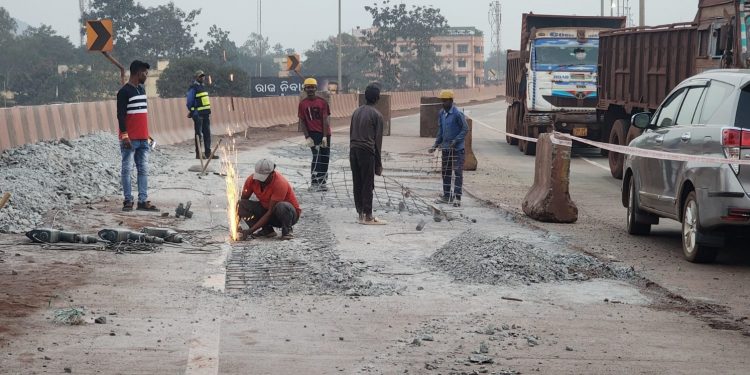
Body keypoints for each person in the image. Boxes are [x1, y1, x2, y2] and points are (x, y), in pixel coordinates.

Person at [117, 60, 158, 212]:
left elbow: (141, 116)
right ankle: (128, 200)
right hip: (130, 139)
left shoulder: (141, 90)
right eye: (145, 73)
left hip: (143, 138)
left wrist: (148, 135)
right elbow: (120, 116)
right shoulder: (124, 92)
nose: (146, 75)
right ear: (138, 73)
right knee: (127, 169)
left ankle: (142, 201)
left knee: (143, 170)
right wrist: (125, 136)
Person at [350, 83, 387, 225]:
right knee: (367, 183)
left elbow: (351, 133)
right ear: (377, 98)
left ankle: (360, 213)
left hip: (353, 150)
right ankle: (368, 215)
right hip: (367, 151)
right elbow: (377, 142)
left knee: (357, 182)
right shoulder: (377, 115)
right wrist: (378, 164)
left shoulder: (356, 112)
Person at [238, 159, 301, 240]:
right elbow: (242, 203)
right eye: (259, 178)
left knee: (282, 206)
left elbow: (270, 212)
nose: (260, 181)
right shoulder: (251, 180)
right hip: (267, 211)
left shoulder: (280, 183)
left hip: (287, 214)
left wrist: (250, 231)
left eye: (263, 179)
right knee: (241, 204)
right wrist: (236, 225)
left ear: (272, 173)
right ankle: (267, 230)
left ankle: (287, 230)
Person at [429, 89, 469, 207]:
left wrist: (456, 140)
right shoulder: (441, 113)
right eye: (442, 101)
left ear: (451, 101)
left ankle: (457, 197)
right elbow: (440, 131)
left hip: (457, 150)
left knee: (457, 173)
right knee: (445, 173)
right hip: (446, 149)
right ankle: (447, 196)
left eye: (445, 101)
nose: (443, 103)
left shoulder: (457, 114)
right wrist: (435, 145)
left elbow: (465, 129)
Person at [298, 77, 331, 191]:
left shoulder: (322, 102)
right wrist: (307, 137)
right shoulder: (302, 104)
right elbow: (302, 121)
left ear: (316, 88)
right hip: (312, 134)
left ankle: (322, 182)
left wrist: (325, 136)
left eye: (312, 87)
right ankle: (314, 181)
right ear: (305, 89)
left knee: (325, 157)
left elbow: (325, 120)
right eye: (308, 87)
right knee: (316, 157)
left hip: (324, 133)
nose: (310, 89)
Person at [186, 70, 217, 159]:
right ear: (196, 77)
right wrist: (192, 111)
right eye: (200, 76)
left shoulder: (203, 87)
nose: (202, 77)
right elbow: (189, 102)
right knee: (198, 134)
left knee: (207, 134)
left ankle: (208, 153)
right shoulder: (193, 88)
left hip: (205, 114)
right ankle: (199, 154)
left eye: (203, 76)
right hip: (198, 114)